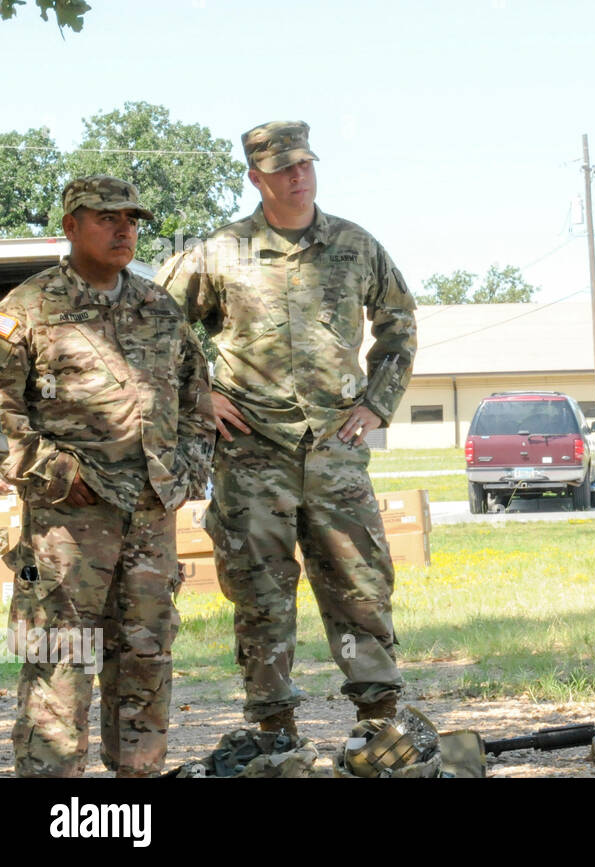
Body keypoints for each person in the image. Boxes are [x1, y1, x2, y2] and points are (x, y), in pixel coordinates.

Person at [157, 121, 417, 735]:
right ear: (257, 178)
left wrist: (376, 404)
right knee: (260, 595)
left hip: (335, 448)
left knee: (360, 586)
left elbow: (399, 327)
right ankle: (274, 733)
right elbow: (156, 329)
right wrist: (198, 397)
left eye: (304, 164)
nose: (297, 177)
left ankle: (378, 724)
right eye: (282, 170)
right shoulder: (218, 251)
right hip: (251, 453)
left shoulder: (356, 246)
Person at [0, 175, 215, 777]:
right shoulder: (28, 308)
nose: (124, 229)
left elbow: (198, 399)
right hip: (68, 526)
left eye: (131, 218)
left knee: (146, 659)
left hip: (150, 517)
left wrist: (189, 470)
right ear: (70, 226)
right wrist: (59, 471)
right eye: (106, 217)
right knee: (58, 662)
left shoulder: (160, 307)